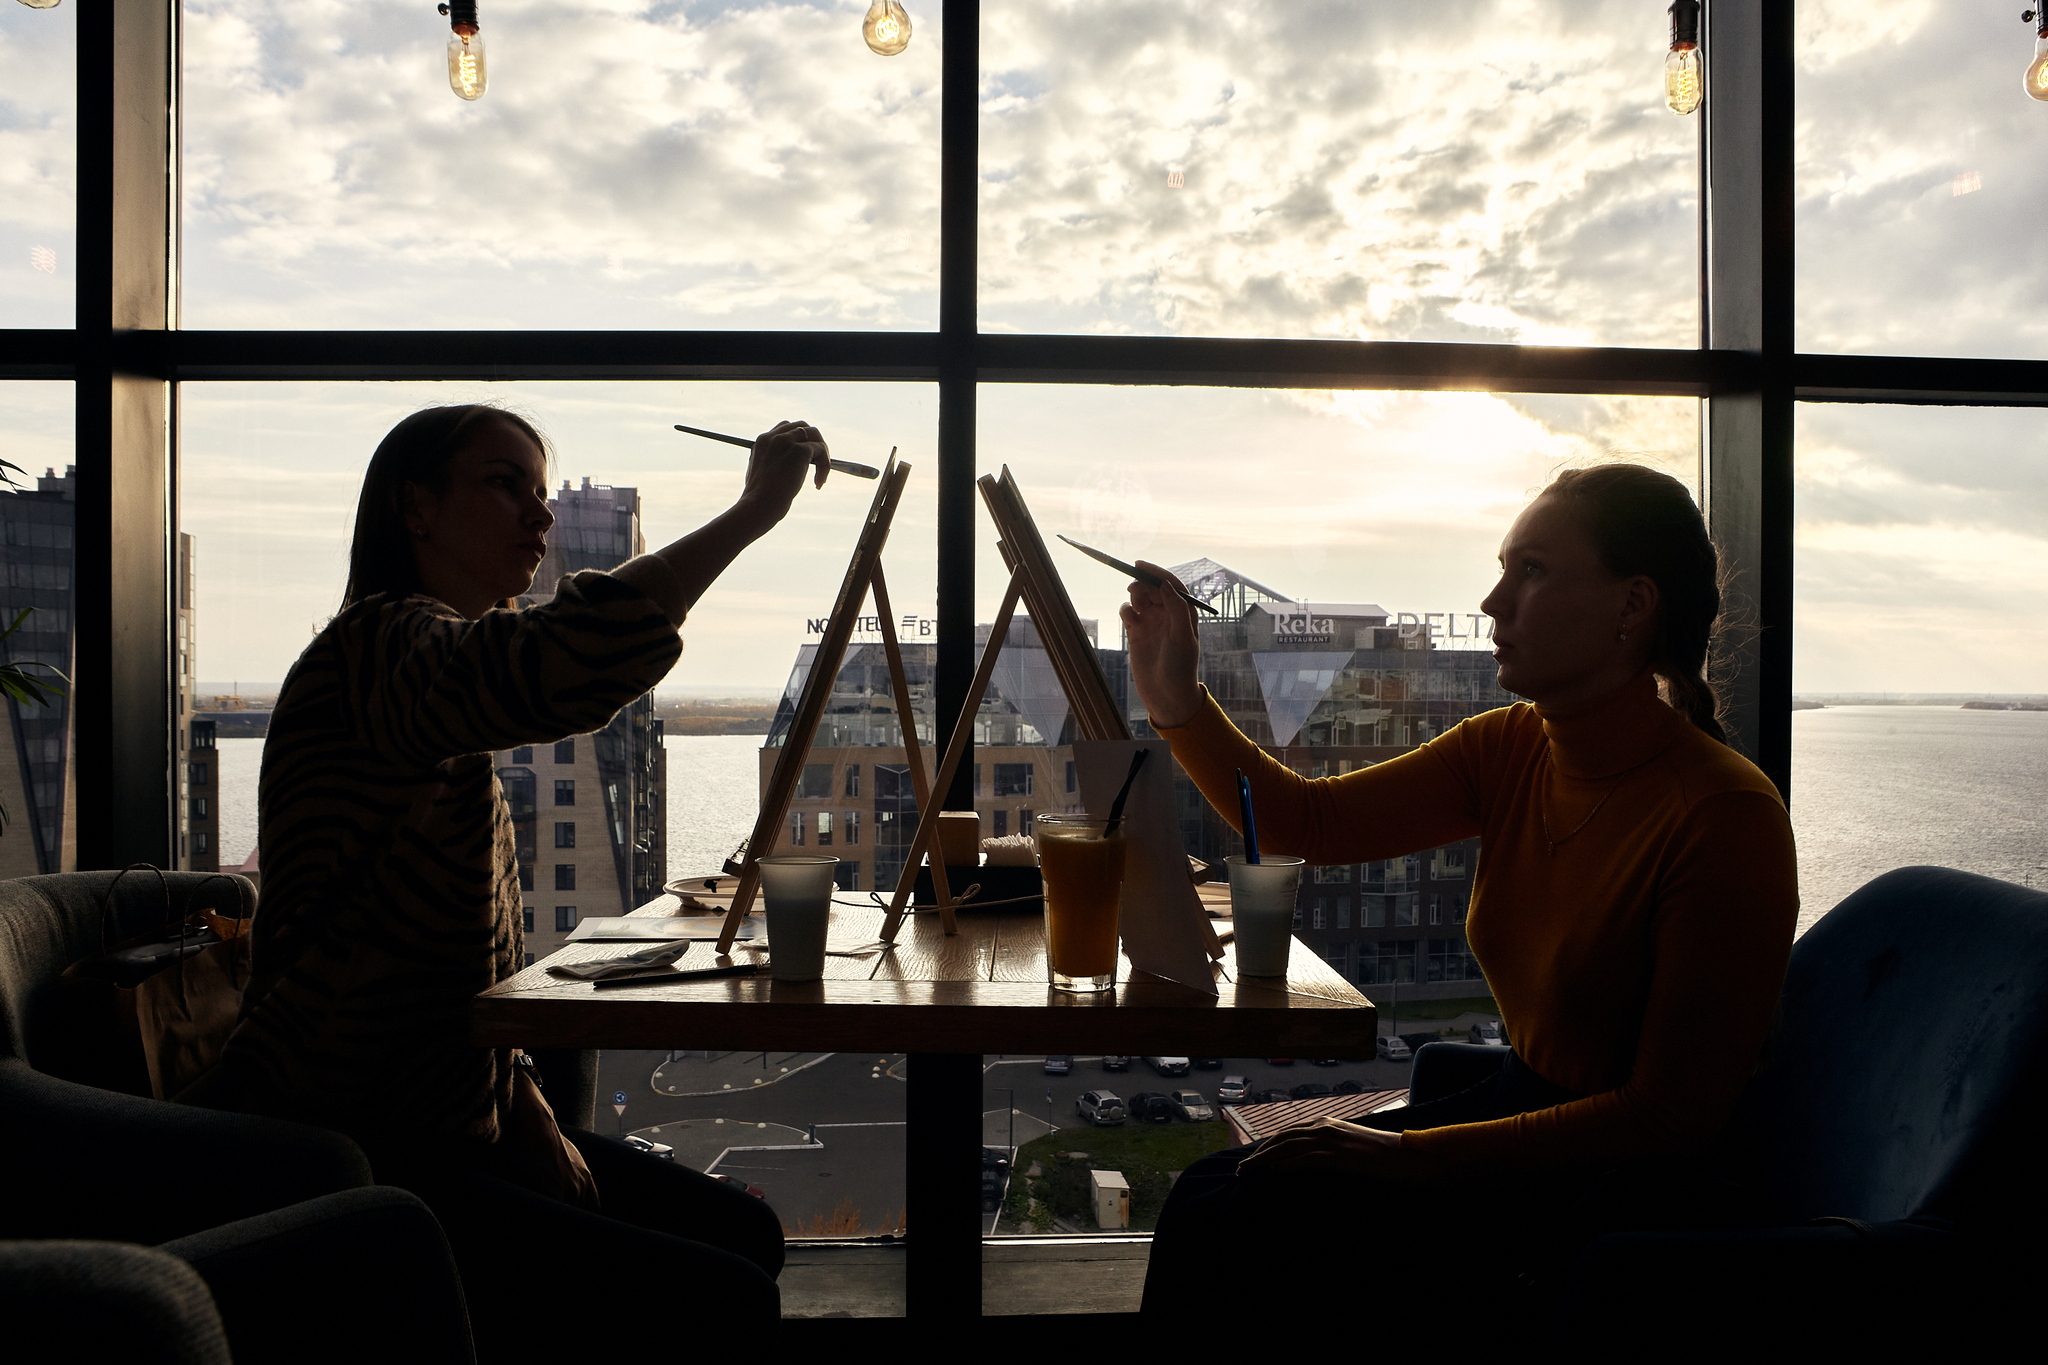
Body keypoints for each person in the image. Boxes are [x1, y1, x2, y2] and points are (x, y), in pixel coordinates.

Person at [210, 404, 829, 1357]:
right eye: (507, 485)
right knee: (723, 1290)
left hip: (455, 1119)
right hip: (360, 1148)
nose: (539, 518)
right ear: (415, 509)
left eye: (543, 493)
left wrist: (525, 1100)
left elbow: (466, 965)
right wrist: (752, 511)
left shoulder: (428, 681)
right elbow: (557, 662)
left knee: (743, 1236)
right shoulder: (377, 647)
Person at [1122, 464, 1798, 1327]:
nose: (1492, 600)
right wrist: (1177, 701)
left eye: (1533, 571)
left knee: (1246, 1214)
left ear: (1633, 606)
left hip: (1617, 1194)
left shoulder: (1723, 815)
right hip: (1519, 1124)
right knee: (1217, 1192)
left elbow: (1667, 1121)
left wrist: (1399, 1156)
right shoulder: (1511, 745)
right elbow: (1308, 822)